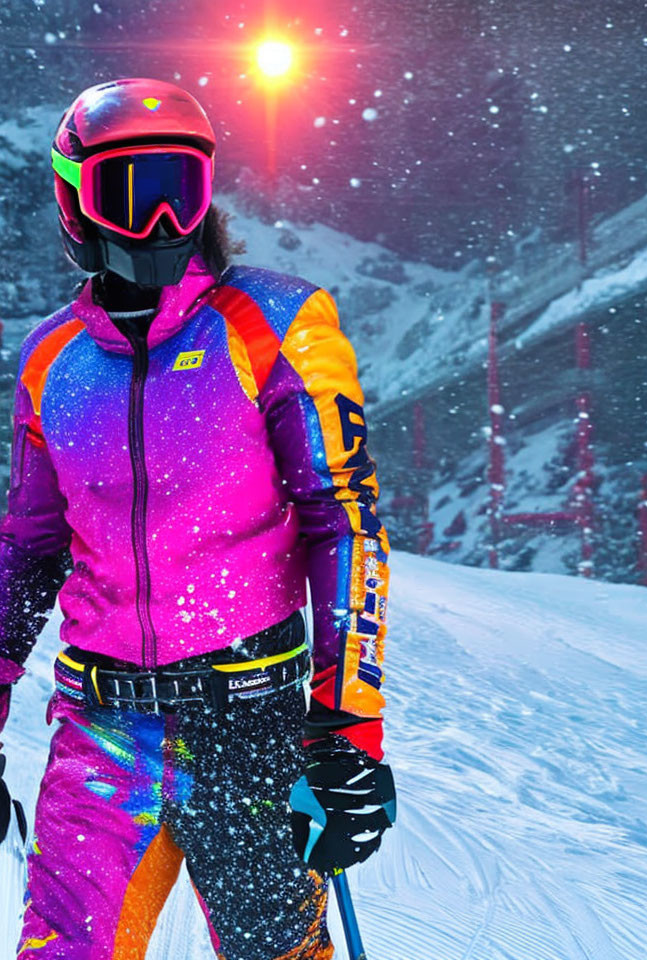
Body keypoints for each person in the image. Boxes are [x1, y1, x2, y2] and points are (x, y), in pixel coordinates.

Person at [0, 78, 394, 959]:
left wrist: (347, 730)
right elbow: (25, 552)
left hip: (250, 719)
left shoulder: (276, 324)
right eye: (128, 196)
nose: (158, 225)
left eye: (180, 191)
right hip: (101, 728)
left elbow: (345, 522)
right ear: (76, 203)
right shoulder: (50, 362)